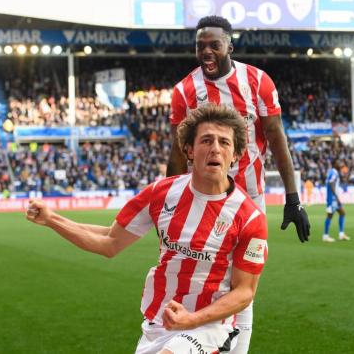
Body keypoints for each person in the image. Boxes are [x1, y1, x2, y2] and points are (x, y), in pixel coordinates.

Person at [26, 106, 268, 353]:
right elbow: (110, 242)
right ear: (189, 150)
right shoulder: (160, 194)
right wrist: (52, 219)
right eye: (206, 140)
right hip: (159, 324)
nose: (215, 148)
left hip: (209, 327)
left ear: (236, 154)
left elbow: (244, 291)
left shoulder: (249, 218)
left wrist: (192, 319)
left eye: (224, 142)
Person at [166, 15, 309, 353]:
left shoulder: (258, 82)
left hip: (249, 202)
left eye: (214, 44)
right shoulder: (184, 91)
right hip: (204, 200)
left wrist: (293, 198)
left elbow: (276, 138)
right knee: (204, 277)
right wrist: (169, 200)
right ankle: (201, 341)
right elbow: (177, 151)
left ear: (230, 44)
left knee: (243, 281)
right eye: (200, 46)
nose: (207, 52)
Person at [323, 159, 350, 242]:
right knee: (329, 216)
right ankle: (326, 236)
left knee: (342, 213)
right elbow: (331, 183)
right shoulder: (334, 172)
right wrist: (336, 197)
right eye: (339, 162)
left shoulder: (333, 172)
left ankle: (341, 234)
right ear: (334, 164)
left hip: (333, 198)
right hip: (332, 199)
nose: (340, 164)